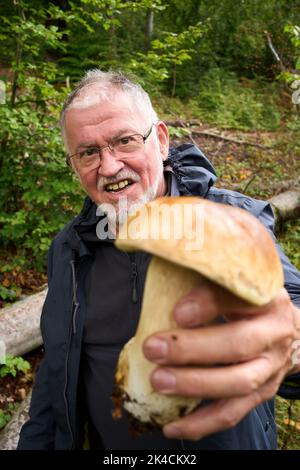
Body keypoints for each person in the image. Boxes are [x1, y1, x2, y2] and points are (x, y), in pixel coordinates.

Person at [18, 70, 300, 450]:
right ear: (73, 165)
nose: (109, 166)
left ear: (162, 140)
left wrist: (292, 345)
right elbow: (56, 374)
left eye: (125, 141)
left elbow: (291, 309)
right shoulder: (68, 250)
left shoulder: (234, 221)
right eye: (88, 152)